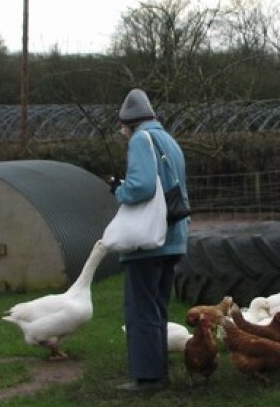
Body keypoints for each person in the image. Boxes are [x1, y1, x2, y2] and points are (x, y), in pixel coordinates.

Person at [111, 88, 190, 392]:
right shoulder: (169, 140)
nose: (123, 134)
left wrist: (119, 190)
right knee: (158, 307)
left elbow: (142, 186)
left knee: (140, 309)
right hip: (174, 238)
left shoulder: (141, 140)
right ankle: (158, 371)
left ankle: (147, 378)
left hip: (149, 241)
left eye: (122, 128)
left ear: (128, 123)